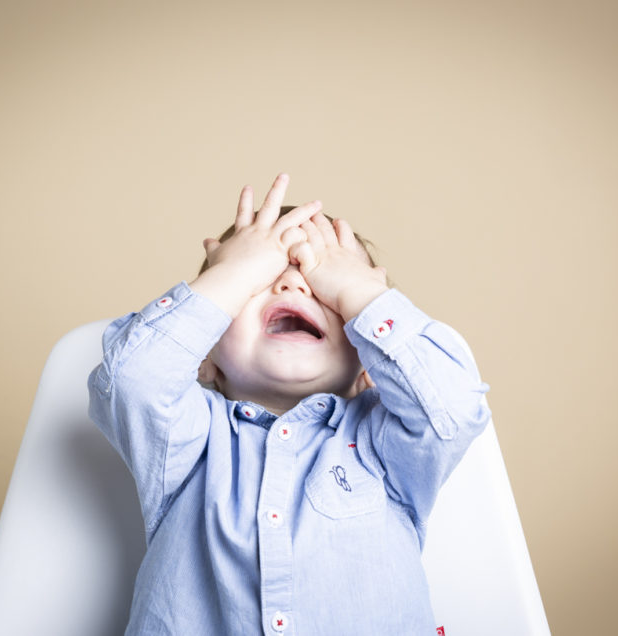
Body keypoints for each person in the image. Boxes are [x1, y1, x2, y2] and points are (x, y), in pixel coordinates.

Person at [88, 173, 491, 635]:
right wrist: (234, 271)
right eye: (264, 278)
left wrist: (359, 291)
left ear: (369, 369)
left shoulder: (386, 443)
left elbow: (455, 407)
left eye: (323, 288)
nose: (293, 287)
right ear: (205, 356)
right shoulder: (185, 441)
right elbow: (132, 379)